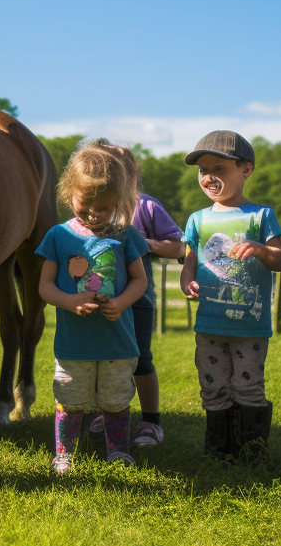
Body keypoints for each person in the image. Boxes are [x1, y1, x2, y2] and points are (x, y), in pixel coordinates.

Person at [35, 139, 150, 473]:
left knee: (116, 400)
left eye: (104, 208)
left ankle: (118, 450)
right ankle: (64, 454)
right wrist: (70, 301)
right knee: (69, 400)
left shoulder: (126, 235)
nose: (94, 214)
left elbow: (140, 280)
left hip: (117, 341)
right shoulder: (58, 236)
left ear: (121, 201)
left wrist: (121, 302)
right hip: (74, 344)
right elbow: (44, 286)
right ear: (70, 191)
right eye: (85, 205)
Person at [179, 131, 281, 461]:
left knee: (248, 386)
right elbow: (190, 259)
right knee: (213, 387)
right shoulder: (198, 219)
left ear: (246, 170)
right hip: (209, 324)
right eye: (203, 170)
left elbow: (280, 260)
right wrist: (187, 281)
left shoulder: (260, 216)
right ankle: (218, 451)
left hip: (249, 327)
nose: (209, 177)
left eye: (219, 169)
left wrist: (259, 248)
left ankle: (251, 452)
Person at [85, 145, 183, 447]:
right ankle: (107, 414)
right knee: (101, 360)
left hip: (138, 300)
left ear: (131, 172)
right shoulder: (88, 205)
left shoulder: (145, 206)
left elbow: (178, 247)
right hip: (97, 299)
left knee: (140, 360)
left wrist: (144, 242)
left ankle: (151, 422)